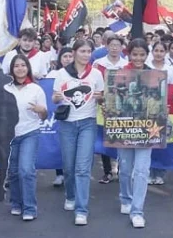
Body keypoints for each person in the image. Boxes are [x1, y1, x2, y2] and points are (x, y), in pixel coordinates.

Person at [52, 40, 105, 225]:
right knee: (68, 166)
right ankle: (71, 194)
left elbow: (102, 98)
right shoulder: (61, 74)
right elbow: (54, 98)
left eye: (89, 51)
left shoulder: (97, 74)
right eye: (82, 51)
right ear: (74, 53)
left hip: (87, 123)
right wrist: (57, 97)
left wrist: (101, 98)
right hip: (67, 124)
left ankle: (82, 209)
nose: (86, 54)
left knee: (83, 168)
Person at [2, 54, 47, 221]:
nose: (20, 68)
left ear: (28, 68)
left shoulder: (36, 89)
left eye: (23, 65)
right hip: (11, 135)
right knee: (13, 172)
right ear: (12, 70)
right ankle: (16, 203)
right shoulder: (6, 88)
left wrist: (41, 110)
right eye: (16, 66)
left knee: (26, 170)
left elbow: (44, 115)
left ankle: (30, 208)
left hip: (30, 132)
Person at [117, 39, 154, 228]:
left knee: (141, 171)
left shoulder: (155, 76)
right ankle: (125, 196)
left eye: (142, 54)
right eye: (135, 54)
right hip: (124, 128)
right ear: (129, 54)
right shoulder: (119, 74)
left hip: (146, 130)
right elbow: (113, 100)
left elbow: (159, 100)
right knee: (125, 169)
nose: (138, 58)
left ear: (147, 55)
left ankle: (137, 211)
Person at [92, 35, 126, 184]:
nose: (114, 48)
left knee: (119, 137)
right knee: (105, 138)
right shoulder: (98, 64)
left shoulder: (126, 65)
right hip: (102, 106)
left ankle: (119, 169)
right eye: (111, 45)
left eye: (117, 45)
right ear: (107, 46)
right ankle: (107, 172)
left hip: (121, 107)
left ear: (121, 48)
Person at [47, 47, 74, 186]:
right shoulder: (53, 74)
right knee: (58, 143)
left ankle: (71, 174)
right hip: (57, 113)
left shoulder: (79, 74)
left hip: (75, 113)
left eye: (70, 56)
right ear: (60, 59)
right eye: (65, 56)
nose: (68, 59)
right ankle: (59, 174)